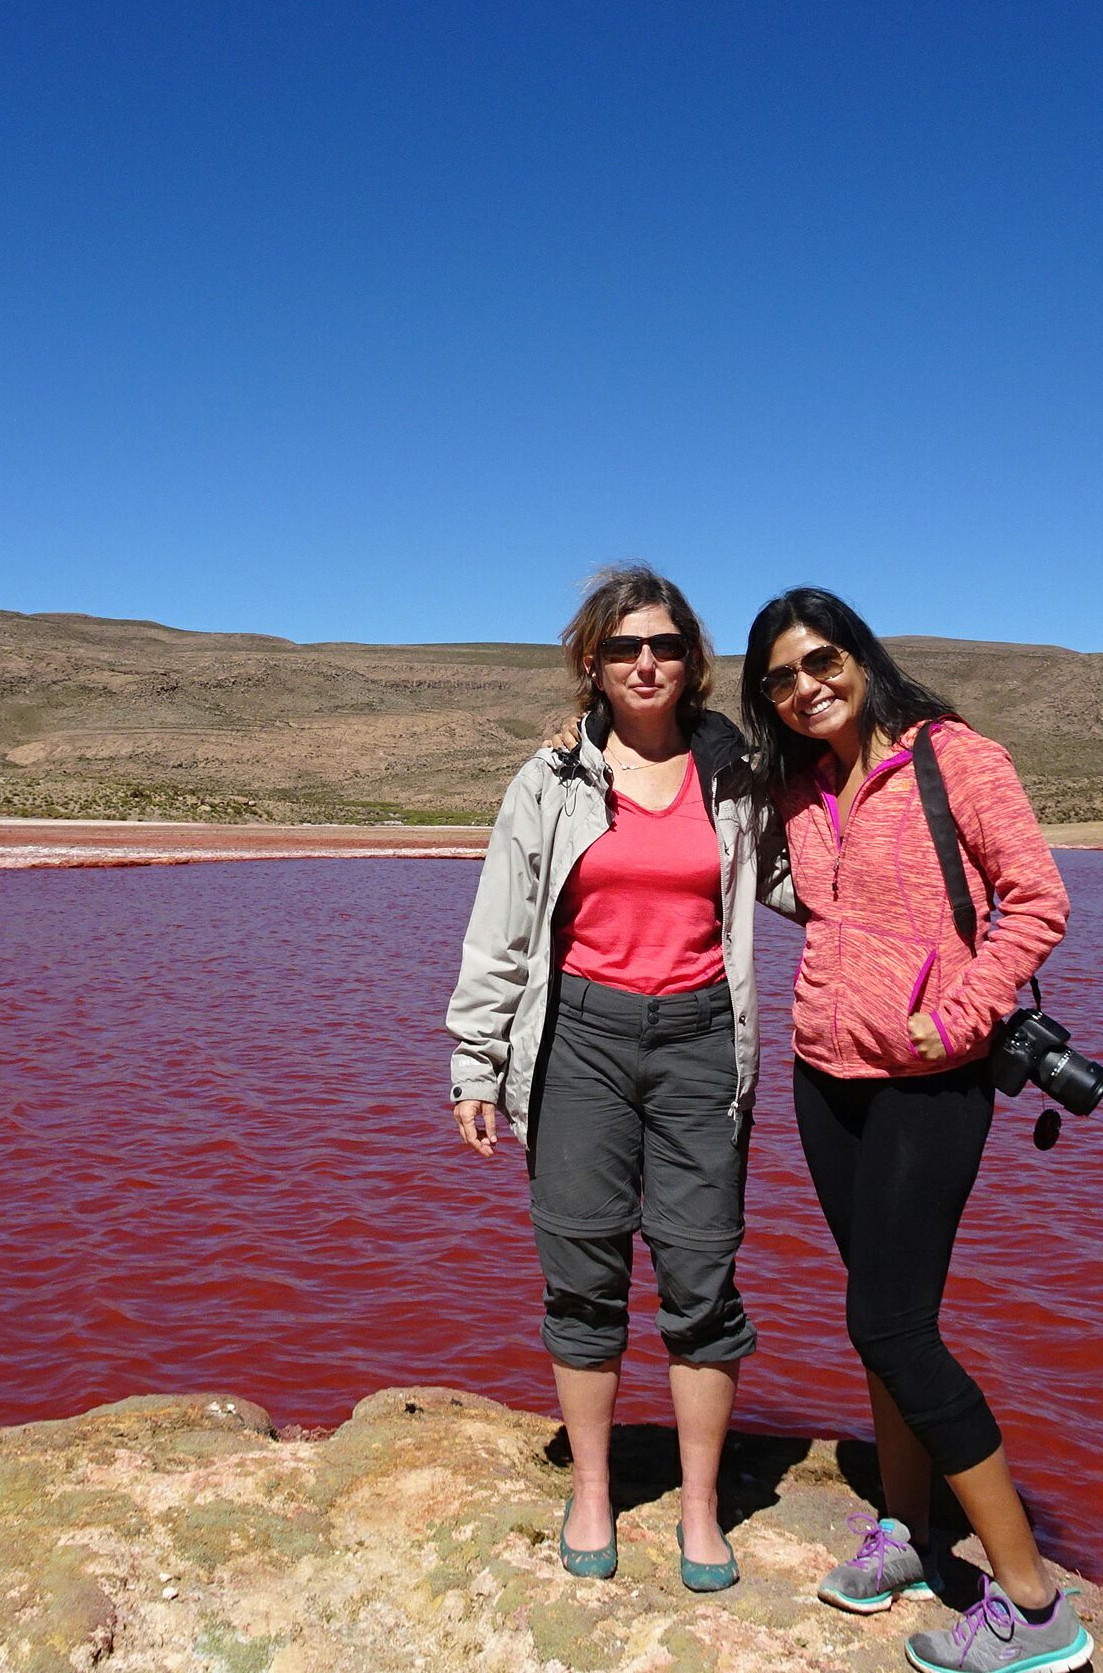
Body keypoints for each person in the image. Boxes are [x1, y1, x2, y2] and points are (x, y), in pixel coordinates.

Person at [743, 587, 1094, 1673]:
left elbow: (1036, 899)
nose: (805, 688)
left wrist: (961, 1012)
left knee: (894, 1326)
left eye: (821, 662)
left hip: (932, 1080)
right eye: (780, 678)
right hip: (826, 1075)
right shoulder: (799, 782)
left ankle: (1035, 1607)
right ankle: (905, 1532)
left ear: (860, 655)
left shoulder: (956, 760)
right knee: (877, 1316)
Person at [446, 564, 768, 1591]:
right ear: (593, 662)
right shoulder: (550, 781)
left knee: (702, 1274)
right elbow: (501, 930)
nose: (646, 662)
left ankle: (701, 1507)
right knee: (582, 1272)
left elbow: (808, 879)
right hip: (579, 1039)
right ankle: (593, 1489)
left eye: (665, 645)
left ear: (692, 660)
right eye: (625, 646)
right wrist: (476, 1062)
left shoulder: (737, 775)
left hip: (701, 1041)